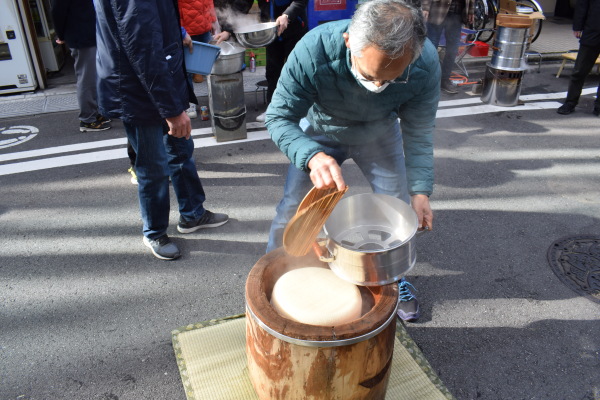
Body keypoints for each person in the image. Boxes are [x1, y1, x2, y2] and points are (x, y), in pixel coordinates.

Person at [264, 0, 439, 322]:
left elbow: (419, 132)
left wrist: (421, 191)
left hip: (380, 133)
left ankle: (393, 279)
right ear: (349, 42)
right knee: (294, 209)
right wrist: (311, 156)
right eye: (371, 74)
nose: (376, 87)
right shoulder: (314, 48)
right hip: (320, 130)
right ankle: (275, 272)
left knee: (397, 209)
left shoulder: (424, 62)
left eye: (390, 79)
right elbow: (278, 117)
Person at [94, 0, 229, 260]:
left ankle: (192, 214)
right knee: (153, 166)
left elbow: (148, 25)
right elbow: (142, 46)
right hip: (137, 88)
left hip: (159, 77)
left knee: (180, 148)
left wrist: (178, 33)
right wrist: (171, 110)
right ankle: (154, 232)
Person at [213, 0, 308, 122]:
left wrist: (287, 15)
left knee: (296, 72)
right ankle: (273, 109)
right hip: (271, 32)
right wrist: (228, 30)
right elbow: (242, 3)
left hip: (295, 28)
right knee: (272, 72)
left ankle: (300, 111)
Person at [51, 0, 111, 132]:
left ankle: (94, 112)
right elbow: (57, 11)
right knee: (87, 78)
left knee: (95, 76)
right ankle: (87, 119)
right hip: (82, 36)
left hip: (91, 34)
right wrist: (60, 34)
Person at [556, 0, 600, 116]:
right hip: (592, 31)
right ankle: (570, 102)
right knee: (579, 70)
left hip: (592, 30)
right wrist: (577, 26)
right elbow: (582, 4)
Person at [179, 0, 222, 118]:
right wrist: (180, 31)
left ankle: (218, 100)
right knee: (186, 69)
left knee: (213, 66)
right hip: (186, 28)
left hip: (204, 26)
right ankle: (189, 103)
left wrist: (213, 20)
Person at [421, 0, 474, 94]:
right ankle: (427, 81)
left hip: (457, 14)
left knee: (453, 50)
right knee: (431, 49)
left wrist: (470, 10)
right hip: (437, 11)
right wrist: (425, 7)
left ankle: (445, 80)